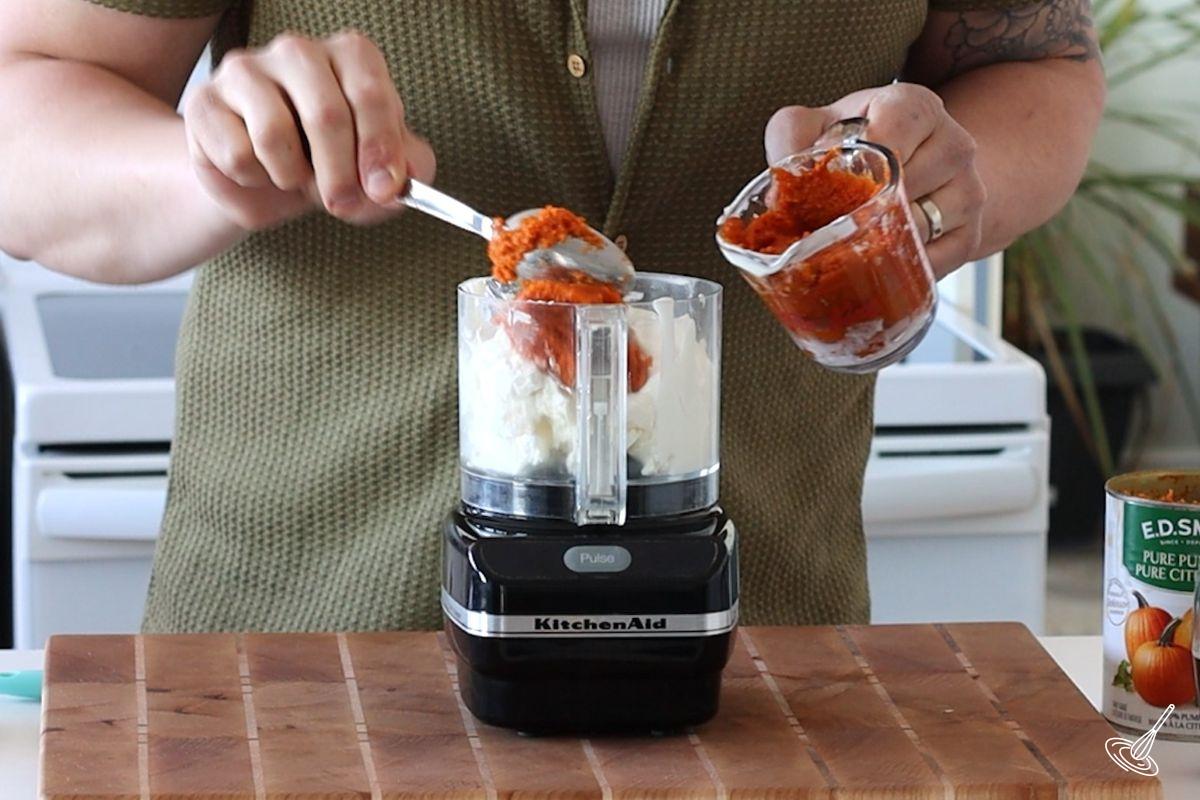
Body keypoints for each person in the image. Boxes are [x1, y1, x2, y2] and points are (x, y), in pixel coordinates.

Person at [0, 1, 1104, 632]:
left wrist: (949, 185)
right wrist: (212, 170)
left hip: (763, 638)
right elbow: (28, 100)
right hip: (306, 634)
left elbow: (1035, 60)